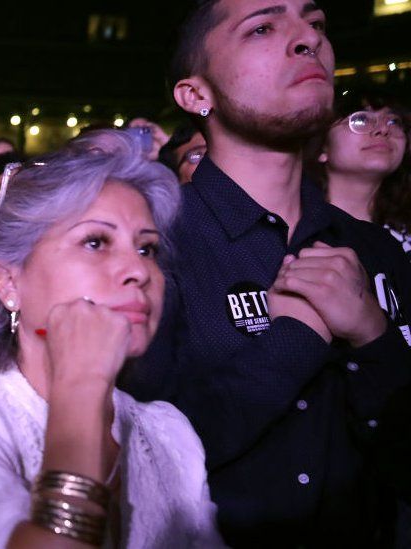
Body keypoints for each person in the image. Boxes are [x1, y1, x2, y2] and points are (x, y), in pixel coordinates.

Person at [119, 0, 411, 545]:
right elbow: (139, 457)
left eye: (318, 24)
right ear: (195, 94)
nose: (308, 41)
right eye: (263, 28)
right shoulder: (151, 249)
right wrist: (294, 339)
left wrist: (375, 338)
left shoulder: (377, 252)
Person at [0, 131, 222, 548]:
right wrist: (81, 387)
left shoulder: (168, 430)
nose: (139, 271)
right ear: (8, 283)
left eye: (147, 249)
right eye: (95, 242)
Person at [307, 92, 411, 257]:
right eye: (360, 120)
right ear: (322, 148)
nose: (383, 129)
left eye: (393, 121)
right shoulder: (295, 230)